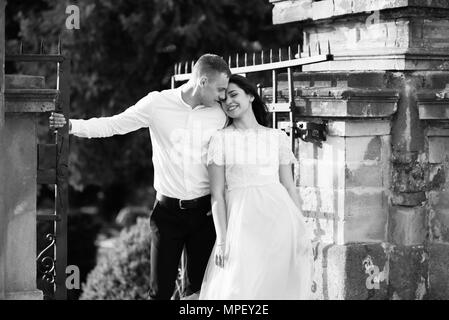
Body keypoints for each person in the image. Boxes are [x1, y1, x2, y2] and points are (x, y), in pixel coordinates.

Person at [49, 54, 232, 300]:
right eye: (220, 89)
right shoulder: (157, 104)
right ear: (202, 81)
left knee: (199, 292)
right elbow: (115, 124)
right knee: (159, 293)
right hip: (168, 214)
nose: (223, 96)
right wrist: (71, 126)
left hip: (204, 214)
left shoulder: (220, 114)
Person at [199, 74, 314, 300]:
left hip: (279, 222)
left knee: (276, 287)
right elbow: (217, 195)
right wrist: (222, 240)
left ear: (250, 95)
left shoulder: (276, 137)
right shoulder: (220, 139)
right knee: (238, 289)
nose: (229, 102)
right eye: (223, 100)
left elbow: (290, 187)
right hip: (242, 225)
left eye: (234, 95)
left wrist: (300, 231)